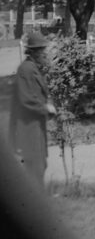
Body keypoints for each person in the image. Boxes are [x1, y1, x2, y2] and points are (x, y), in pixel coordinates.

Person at [9, 32, 56, 187]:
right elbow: (26, 99)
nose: (45, 53)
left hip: (36, 128)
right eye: (42, 50)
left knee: (40, 166)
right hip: (27, 128)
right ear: (34, 52)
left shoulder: (33, 68)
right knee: (34, 169)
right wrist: (45, 108)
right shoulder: (26, 70)